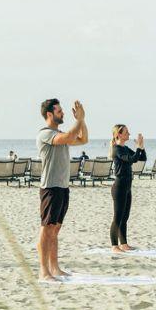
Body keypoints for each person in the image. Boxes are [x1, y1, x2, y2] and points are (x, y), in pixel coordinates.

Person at [36, 98, 88, 280]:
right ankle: (44, 271)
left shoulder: (59, 134)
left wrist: (82, 120)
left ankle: (55, 268)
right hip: (50, 187)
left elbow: (83, 139)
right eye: (59, 111)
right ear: (49, 114)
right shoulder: (45, 134)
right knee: (47, 229)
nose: (63, 113)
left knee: (55, 229)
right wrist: (78, 120)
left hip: (62, 187)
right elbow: (69, 137)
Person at [108, 124, 146, 252]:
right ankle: (114, 246)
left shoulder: (124, 148)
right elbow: (132, 159)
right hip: (119, 187)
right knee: (117, 218)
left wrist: (141, 147)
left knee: (125, 218)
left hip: (127, 187)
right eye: (126, 132)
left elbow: (142, 158)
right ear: (119, 134)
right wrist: (138, 147)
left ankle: (124, 244)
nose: (129, 134)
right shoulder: (117, 149)